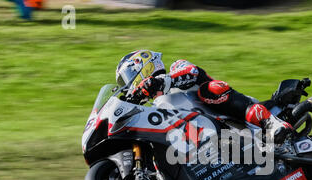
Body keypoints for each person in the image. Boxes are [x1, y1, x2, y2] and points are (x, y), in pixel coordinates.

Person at [116, 50, 293, 143]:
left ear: (142, 66)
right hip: (213, 138)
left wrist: (159, 82)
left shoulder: (177, 67)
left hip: (234, 113)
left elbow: (192, 72)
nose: (129, 85)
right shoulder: (157, 107)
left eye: (128, 77)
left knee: (209, 89)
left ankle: (271, 123)